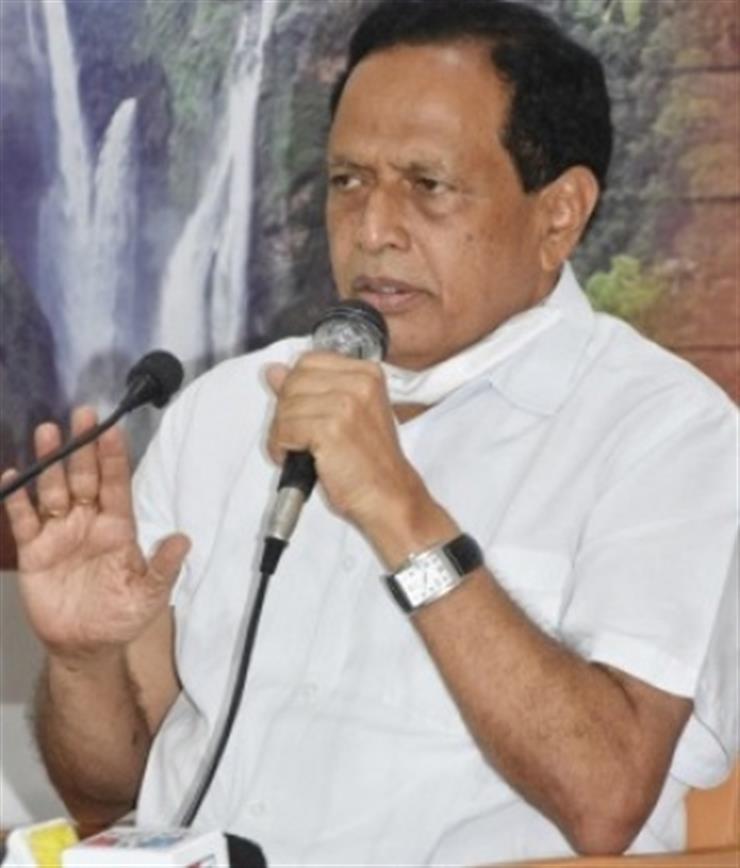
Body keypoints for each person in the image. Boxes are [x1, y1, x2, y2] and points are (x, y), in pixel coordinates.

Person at [3, 1, 737, 864]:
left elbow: (605, 800)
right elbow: (114, 799)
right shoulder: (226, 407)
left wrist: (399, 510)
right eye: (348, 181)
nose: (373, 230)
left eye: (428, 186)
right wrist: (84, 661)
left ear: (559, 214)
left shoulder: (665, 432)